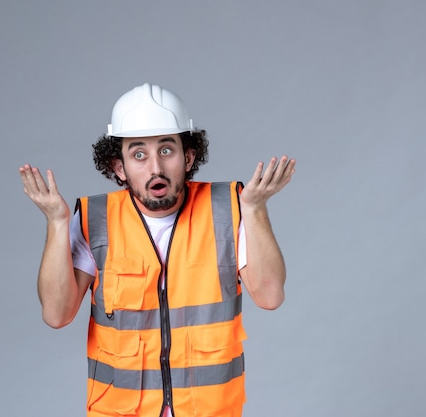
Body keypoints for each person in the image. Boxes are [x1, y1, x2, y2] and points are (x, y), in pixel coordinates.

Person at [19, 83, 296, 417]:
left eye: (167, 150)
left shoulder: (229, 210)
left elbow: (270, 297)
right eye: (139, 154)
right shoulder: (94, 219)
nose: (155, 168)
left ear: (188, 156)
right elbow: (56, 314)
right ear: (119, 167)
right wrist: (58, 223)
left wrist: (255, 210)